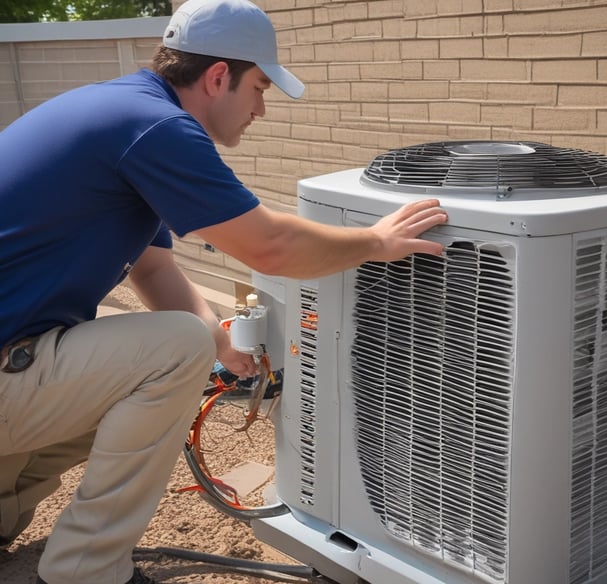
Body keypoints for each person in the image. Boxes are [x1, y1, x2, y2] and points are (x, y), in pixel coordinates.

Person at [0, 0, 447, 582]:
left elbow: (154, 267)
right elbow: (271, 247)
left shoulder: (120, 111)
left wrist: (220, 344)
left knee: (173, 355)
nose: (261, 108)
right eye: (259, 87)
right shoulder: (159, 128)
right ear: (217, 77)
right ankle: (85, 570)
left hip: (13, 367)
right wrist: (375, 242)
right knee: (173, 348)